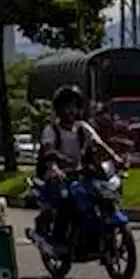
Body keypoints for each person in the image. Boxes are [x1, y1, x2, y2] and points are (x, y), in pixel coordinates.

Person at [35, 84, 123, 253]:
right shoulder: (51, 129)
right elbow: (49, 152)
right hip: (56, 175)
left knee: (98, 194)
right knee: (67, 201)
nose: (71, 111)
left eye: (74, 106)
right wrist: (55, 168)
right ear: (59, 109)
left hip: (80, 173)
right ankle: (58, 239)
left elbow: (99, 144)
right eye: (67, 106)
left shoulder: (83, 128)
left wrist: (115, 158)